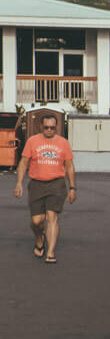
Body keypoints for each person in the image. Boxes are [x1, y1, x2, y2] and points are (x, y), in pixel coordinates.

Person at [13, 111, 75, 263]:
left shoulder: (63, 143)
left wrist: (72, 187)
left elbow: (69, 166)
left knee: (52, 217)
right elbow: (23, 163)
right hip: (36, 184)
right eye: (46, 127)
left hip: (56, 184)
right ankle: (39, 239)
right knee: (36, 221)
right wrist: (19, 183)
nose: (49, 130)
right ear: (41, 126)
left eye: (52, 128)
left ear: (56, 127)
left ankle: (50, 253)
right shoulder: (32, 141)